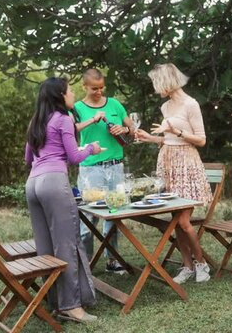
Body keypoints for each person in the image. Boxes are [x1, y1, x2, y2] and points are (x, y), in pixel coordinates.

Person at [25, 77, 102, 323]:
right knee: (67, 244)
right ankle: (72, 306)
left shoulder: (36, 121)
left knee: (46, 246)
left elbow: (29, 158)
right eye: (70, 91)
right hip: (54, 183)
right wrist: (91, 148)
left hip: (33, 184)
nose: (72, 95)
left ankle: (54, 302)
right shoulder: (64, 119)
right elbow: (74, 157)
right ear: (60, 95)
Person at [135, 63, 212, 284]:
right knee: (175, 220)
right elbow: (168, 139)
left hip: (186, 163)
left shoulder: (191, 105)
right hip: (168, 162)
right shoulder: (165, 108)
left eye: (156, 83)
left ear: (166, 82)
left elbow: (201, 139)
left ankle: (201, 263)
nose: (155, 88)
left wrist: (176, 130)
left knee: (185, 222)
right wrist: (150, 138)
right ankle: (187, 266)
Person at [73, 68, 135, 275]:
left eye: (101, 88)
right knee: (88, 216)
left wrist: (124, 130)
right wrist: (93, 119)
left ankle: (112, 260)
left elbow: (132, 128)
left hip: (115, 166)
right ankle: (85, 263)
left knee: (114, 212)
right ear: (84, 87)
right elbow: (72, 130)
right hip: (91, 168)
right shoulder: (77, 107)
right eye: (94, 89)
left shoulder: (115, 104)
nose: (99, 92)